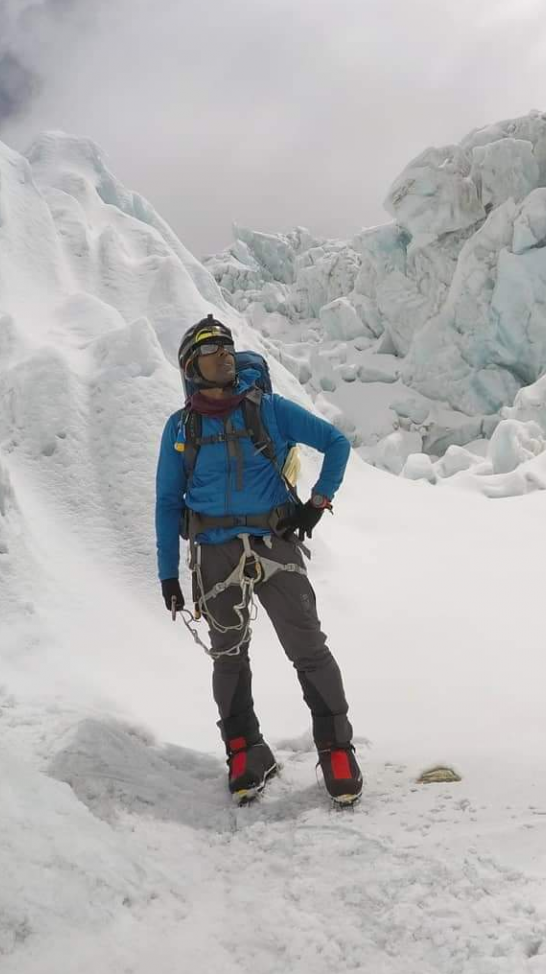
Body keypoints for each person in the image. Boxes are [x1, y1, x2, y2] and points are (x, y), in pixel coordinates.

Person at [154, 314, 362, 806]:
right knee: (230, 656)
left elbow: (336, 443)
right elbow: (167, 502)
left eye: (226, 346)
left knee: (307, 648)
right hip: (220, 551)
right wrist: (167, 573)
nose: (224, 354)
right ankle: (245, 752)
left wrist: (317, 504)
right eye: (211, 350)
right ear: (191, 367)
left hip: (267, 539)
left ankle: (336, 750)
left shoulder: (266, 408)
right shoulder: (181, 427)